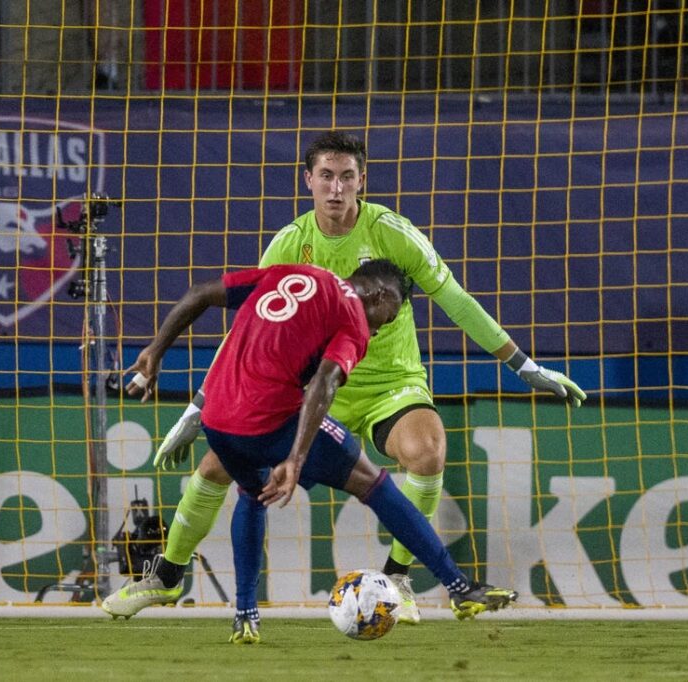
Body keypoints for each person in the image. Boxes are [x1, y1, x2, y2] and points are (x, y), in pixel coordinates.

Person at [105, 130, 587, 624]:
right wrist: (197, 411)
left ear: (363, 181)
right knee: (212, 470)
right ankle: (164, 577)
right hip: (311, 392)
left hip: (388, 384)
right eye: (327, 177)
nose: (337, 188)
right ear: (308, 180)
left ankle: (396, 578)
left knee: (427, 451)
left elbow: (457, 301)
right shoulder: (291, 243)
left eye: (347, 177)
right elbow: (249, 334)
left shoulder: (393, 233)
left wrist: (524, 366)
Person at [102, 260, 518, 642]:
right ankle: (460, 587)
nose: (376, 332)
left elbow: (198, 293)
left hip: (217, 421)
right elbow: (324, 383)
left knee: (252, 493)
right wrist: (296, 459)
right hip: (268, 419)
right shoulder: (354, 319)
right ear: (379, 297)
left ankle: (245, 615)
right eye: (385, 321)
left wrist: (154, 352)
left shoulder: (290, 272)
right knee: (373, 483)